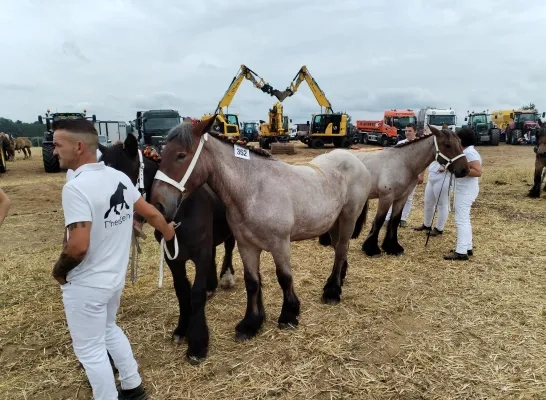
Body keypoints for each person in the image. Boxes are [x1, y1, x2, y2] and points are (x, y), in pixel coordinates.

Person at [51, 118, 175, 400]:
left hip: (86, 284)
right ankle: (133, 386)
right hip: (112, 281)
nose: (54, 151)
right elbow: (153, 215)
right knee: (108, 329)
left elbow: (78, 246)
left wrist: (59, 272)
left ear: (79, 146)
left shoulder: (75, 188)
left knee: (90, 351)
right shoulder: (118, 178)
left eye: (58, 145)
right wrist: (170, 236)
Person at [444, 127, 482, 260]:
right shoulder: (467, 151)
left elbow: (478, 171)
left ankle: (461, 251)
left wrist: (459, 169)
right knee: (464, 219)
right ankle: (467, 247)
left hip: (466, 190)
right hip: (464, 189)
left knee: (461, 220)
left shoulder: (470, 153)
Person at [413, 126, 453, 236]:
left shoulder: (448, 145)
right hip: (432, 175)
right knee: (428, 201)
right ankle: (427, 224)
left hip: (442, 175)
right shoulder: (435, 145)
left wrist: (446, 167)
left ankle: (439, 228)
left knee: (442, 204)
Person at [385, 123, 424, 227]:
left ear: (415, 132)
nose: (407, 133)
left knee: (408, 197)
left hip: (413, 175)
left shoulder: (420, 144)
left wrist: (421, 175)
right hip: (400, 174)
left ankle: (403, 219)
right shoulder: (401, 143)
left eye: (409, 131)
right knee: (393, 196)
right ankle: (388, 218)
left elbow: (423, 162)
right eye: (406, 131)